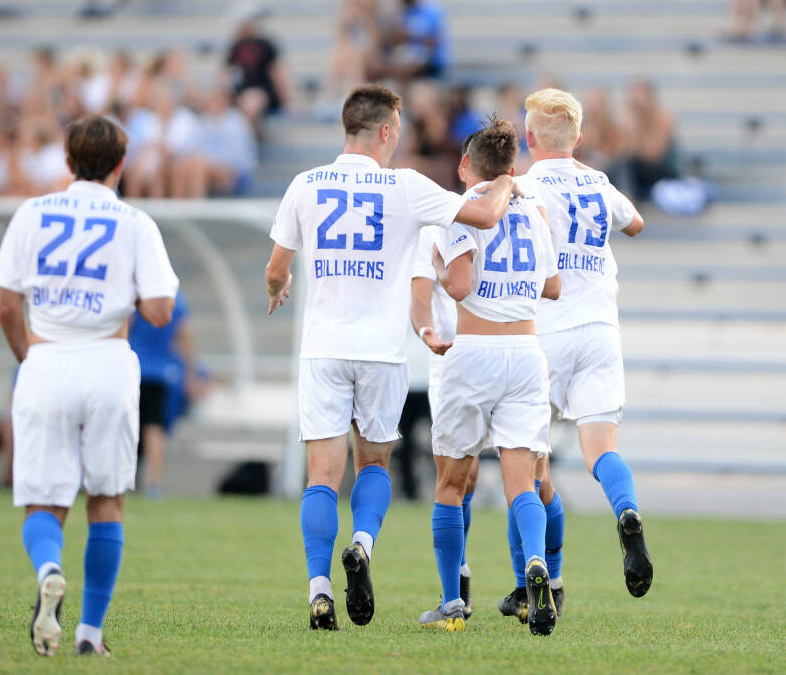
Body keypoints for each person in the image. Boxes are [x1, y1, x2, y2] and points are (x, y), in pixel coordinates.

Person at [264, 84, 519, 631]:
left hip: (323, 350)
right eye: (397, 130)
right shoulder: (404, 186)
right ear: (385, 131)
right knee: (373, 465)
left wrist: (278, 286)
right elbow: (483, 216)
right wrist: (503, 182)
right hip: (380, 353)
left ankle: (320, 592)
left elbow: (275, 266)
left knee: (321, 478)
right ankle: (361, 543)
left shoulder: (305, 184)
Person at [0, 115, 178, 656]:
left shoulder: (31, 213)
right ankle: (90, 635)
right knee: (106, 501)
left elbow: (6, 303)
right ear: (121, 165)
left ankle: (50, 568)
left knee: (44, 504)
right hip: (107, 364)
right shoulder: (134, 221)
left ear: (67, 163)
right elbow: (161, 311)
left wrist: (30, 357)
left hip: (45, 359)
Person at [418, 119, 560, 635]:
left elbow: (458, 286)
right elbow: (554, 286)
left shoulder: (460, 209)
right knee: (524, 480)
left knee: (452, 483)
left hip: (475, 350)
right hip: (526, 352)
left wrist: (436, 263)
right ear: (512, 167)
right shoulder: (532, 213)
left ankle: (453, 604)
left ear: (464, 165)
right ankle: (535, 565)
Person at [517, 88, 652, 605]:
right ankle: (626, 511)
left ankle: (537, 582)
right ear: (579, 138)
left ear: (530, 138)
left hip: (547, 331)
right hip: (600, 329)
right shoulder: (599, 183)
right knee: (602, 452)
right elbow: (636, 224)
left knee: (526, 464)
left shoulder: (525, 186)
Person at [128, 290, 202, 497]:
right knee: (154, 428)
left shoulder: (137, 295)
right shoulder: (176, 300)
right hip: (159, 372)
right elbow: (184, 335)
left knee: (125, 425)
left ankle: (120, 480)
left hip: (132, 367)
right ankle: (154, 483)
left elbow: (124, 326)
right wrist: (191, 372)